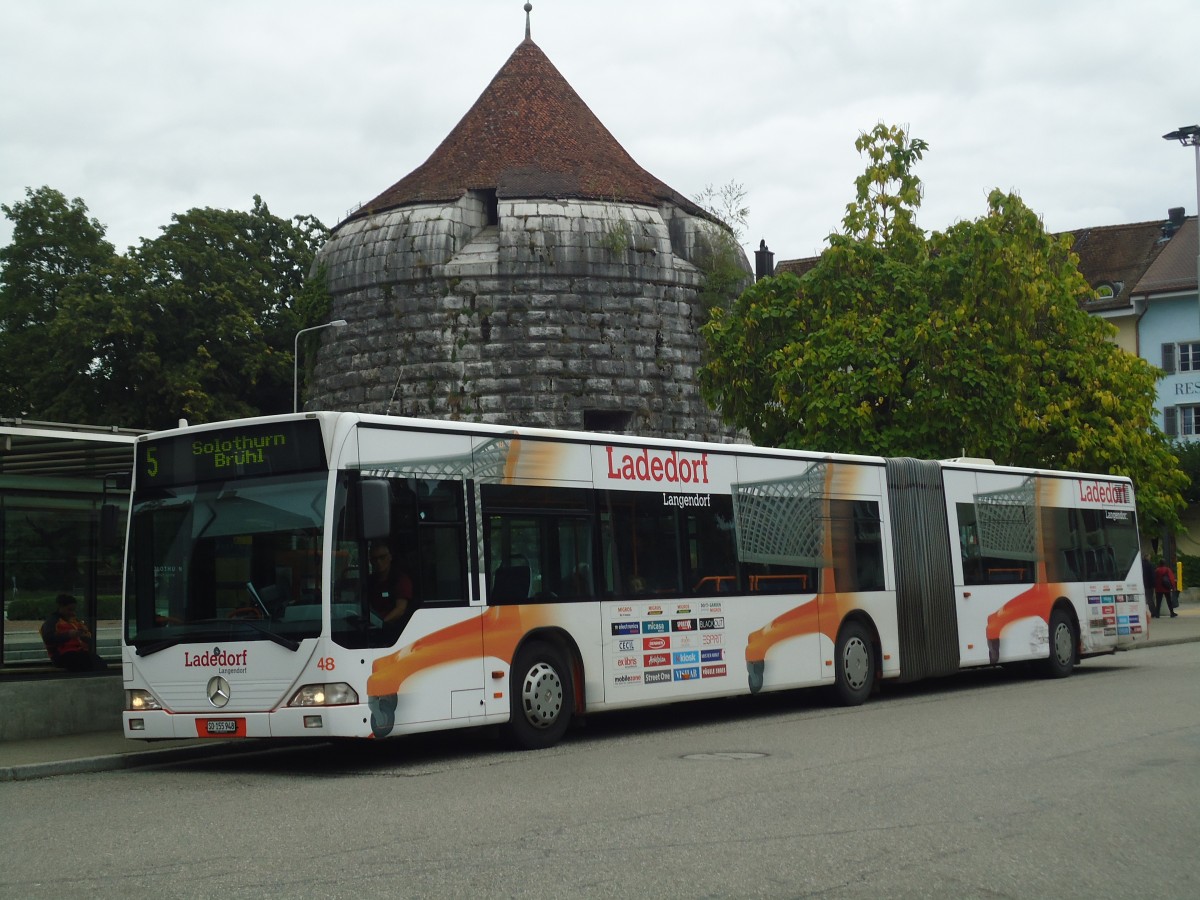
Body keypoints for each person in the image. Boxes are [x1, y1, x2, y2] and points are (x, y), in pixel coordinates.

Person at [41, 594, 108, 671]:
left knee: (100, 663)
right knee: (90, 663)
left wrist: (84, 636)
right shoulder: (52, 622)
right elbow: (48, 639)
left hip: (78, 653)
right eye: (69, 609)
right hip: (62, 656)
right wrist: (68, 635)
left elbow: (88, 638)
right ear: (61, 607)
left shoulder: (74, 621)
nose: (72, 613)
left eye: (73, 610)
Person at [367, 540, 413, 628]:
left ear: (390, 557)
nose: (378, 562)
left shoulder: (401, 580)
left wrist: (380, 624)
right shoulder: (370, 580)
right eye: (374, 559)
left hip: (392, 629)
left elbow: (400, 609)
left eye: (382, 557)